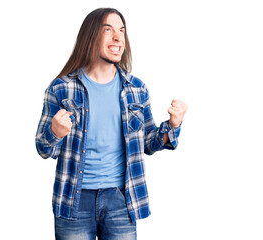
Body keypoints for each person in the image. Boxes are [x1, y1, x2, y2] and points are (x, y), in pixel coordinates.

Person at [35, 7, 187, 240]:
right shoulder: (61, 88)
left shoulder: (136, 89)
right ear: (90, 36)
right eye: (108, 30)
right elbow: (44, 149)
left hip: (121, 199)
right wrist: (55, 132)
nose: (118, 38)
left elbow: (148, 143)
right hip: (73, 199)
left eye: (121, 31)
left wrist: (172, 126)